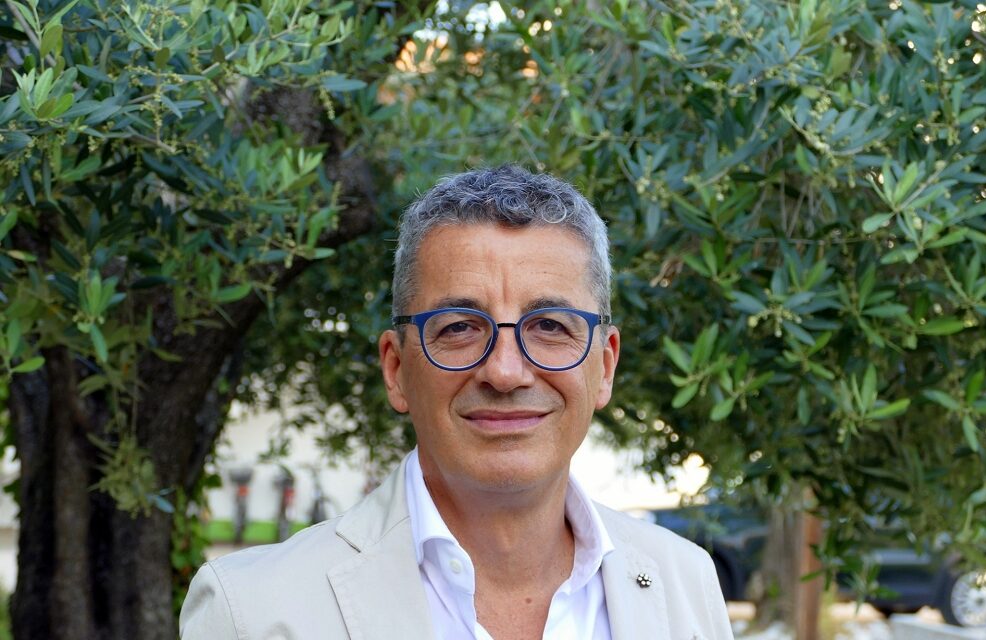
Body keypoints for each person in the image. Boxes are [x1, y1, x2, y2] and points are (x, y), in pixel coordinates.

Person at [180, 166, 734, 640]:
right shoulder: (251, 612)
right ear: (396, 369)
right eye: (459, 328)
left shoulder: (685, 583)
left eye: (549, 326)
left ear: (605, 366)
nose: (506, 372)